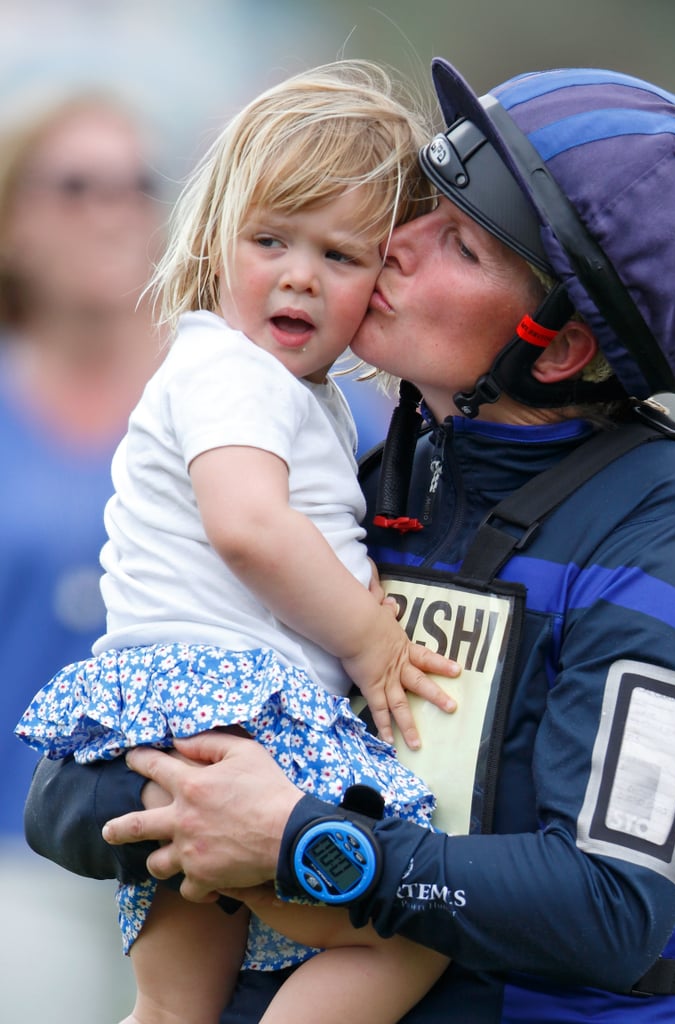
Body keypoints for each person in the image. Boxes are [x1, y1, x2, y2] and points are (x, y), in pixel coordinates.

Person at [24, 59, 675, 1024]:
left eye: (462, 246)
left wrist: (305, 842)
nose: (395, 243)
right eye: (426, 206)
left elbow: (611, 908)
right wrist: (183, 798)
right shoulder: (367, 477)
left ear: (556, 347)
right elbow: (64, 803)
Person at [16, 61, 459, 1024]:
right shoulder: (235, 369)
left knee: (176, 1005)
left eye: (341, 258)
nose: (300, 273)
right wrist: (370, 638)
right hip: (232, 715)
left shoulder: (281, 389)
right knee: (413, 923)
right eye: (271, 240)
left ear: (382, 282)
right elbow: (251, 527)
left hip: (191, 712)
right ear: (217, 240)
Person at [0, 88, 165, 1021]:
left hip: (216, 867)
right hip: (18, 868)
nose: (111, 212)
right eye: (75, 187)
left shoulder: (232, 396)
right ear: (13, 222)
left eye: (134, 186)